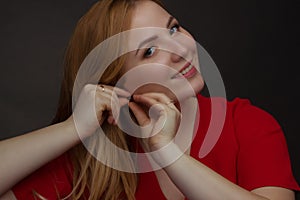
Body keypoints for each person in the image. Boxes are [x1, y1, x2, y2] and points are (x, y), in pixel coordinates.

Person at [0, 0, 299, 199]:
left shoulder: (246, 123)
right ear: (116, 81)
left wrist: (168, 154)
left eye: (173, 28)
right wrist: (71, 129)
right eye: (149, 51)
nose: (181, 48)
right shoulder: (97, 160)